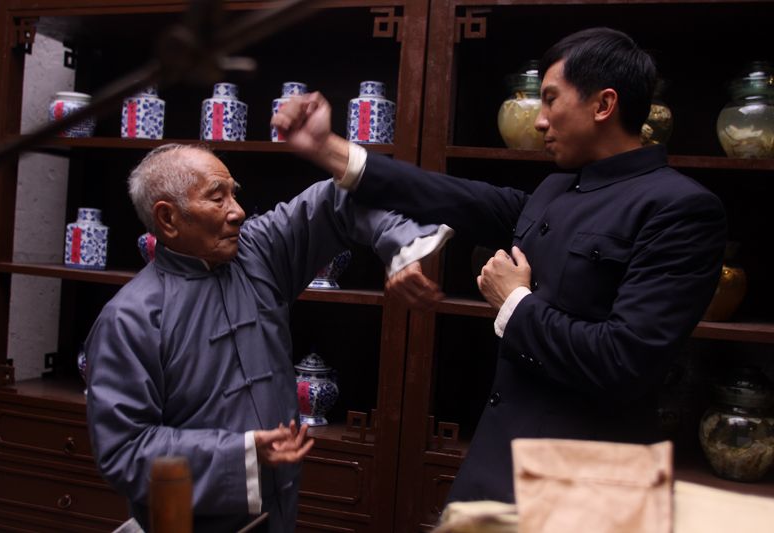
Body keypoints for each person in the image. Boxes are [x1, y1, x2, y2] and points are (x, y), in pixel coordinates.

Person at [272, 27, 727, 504]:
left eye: (550, 100)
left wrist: (514, 303)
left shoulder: (679, 208)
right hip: (496, 467)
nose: (540, 122)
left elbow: (624, 361)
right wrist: (326, 148)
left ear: (603, 104)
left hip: (587, 488)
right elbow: (453, 196)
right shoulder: (556, 188)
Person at [85, 143, 451, 532]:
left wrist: (401, 249)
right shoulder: (130, 319)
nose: (238, 211)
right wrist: (241, 454)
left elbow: (338, 200)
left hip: (279, 512)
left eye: (234, 194)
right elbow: (124, 451)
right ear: (168, 218)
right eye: (217, 198)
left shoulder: (257, 253)